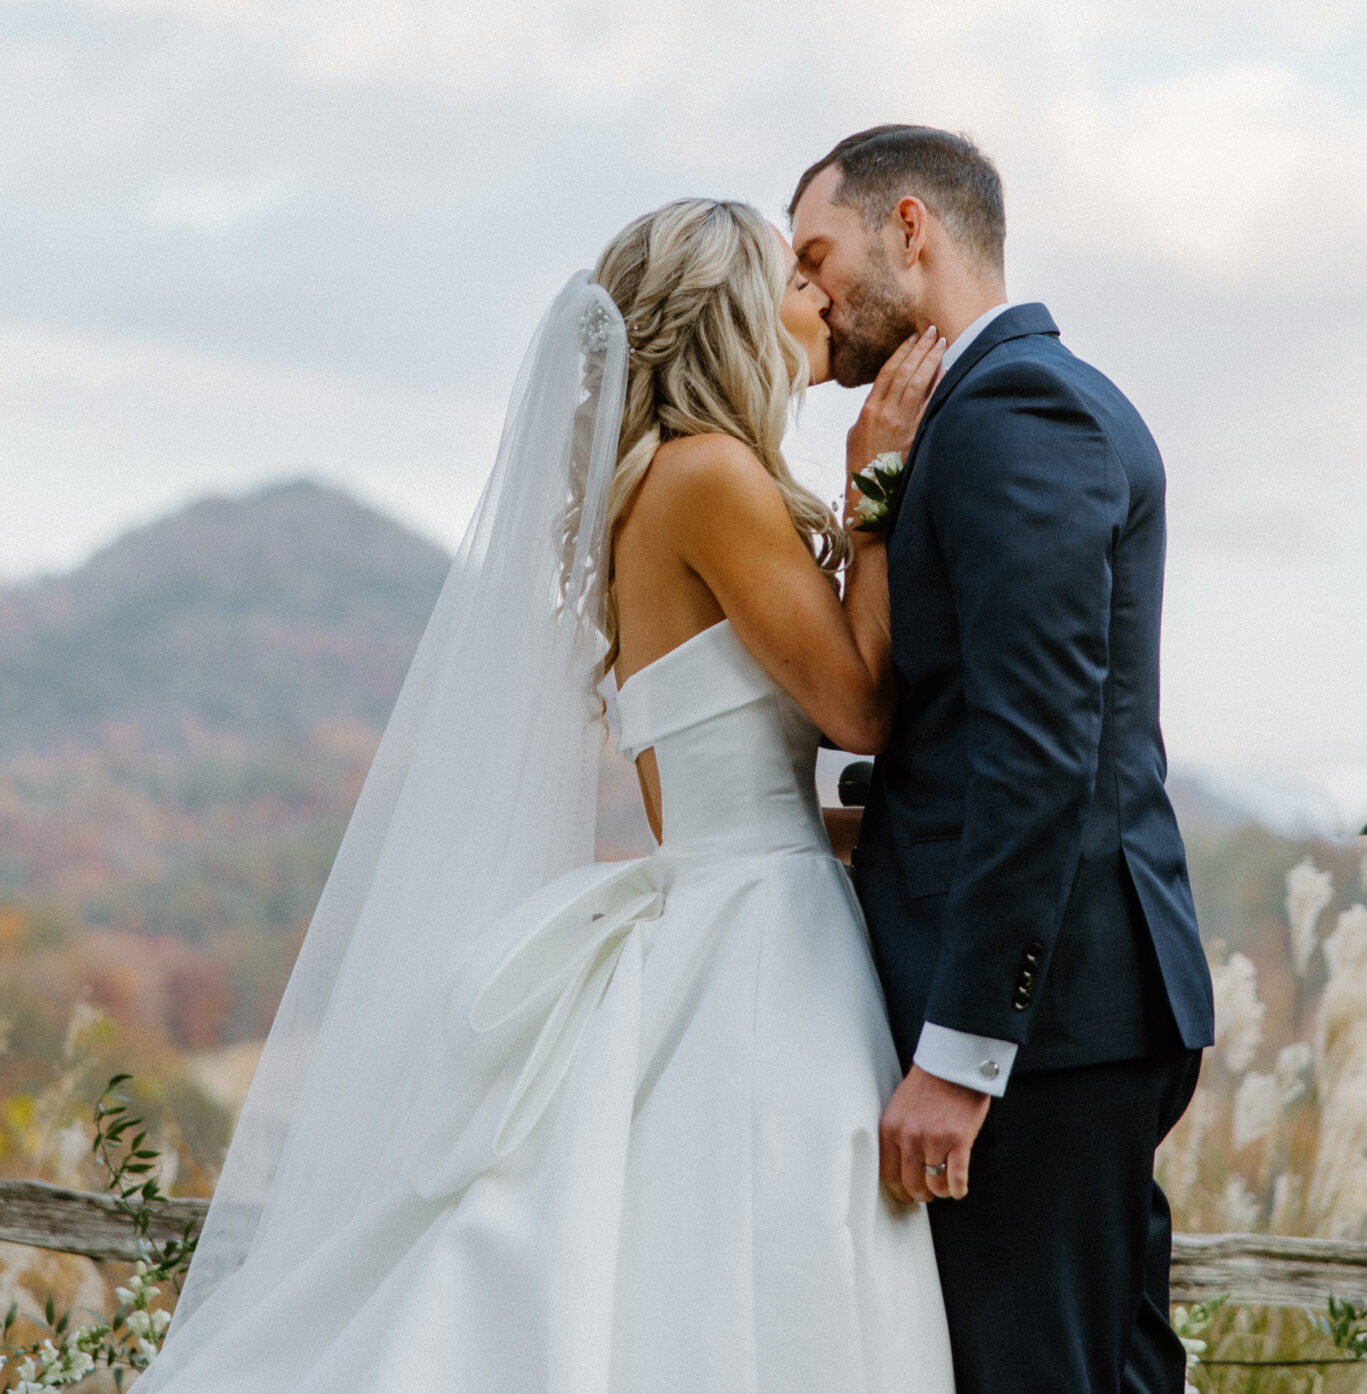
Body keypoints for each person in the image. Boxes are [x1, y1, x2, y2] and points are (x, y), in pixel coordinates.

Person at [136, 198, 956, 1394]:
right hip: (765, 944)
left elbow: (702, 804)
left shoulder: (641, 495)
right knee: (774, 1259)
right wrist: (876, 484)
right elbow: (861, 712)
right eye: (793, 278)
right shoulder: (710, 474)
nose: (820, 297)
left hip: (721, 902)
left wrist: (876, 827)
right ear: (731, 307)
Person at [789, 125, 1216, 1394]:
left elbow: (1039, 757)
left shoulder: (1018, 412)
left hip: (1041, 1030)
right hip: (1063, 1014)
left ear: (906, 227)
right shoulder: (979, 413)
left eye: (817, 255)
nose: (804, 295)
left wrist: (963, 1053)